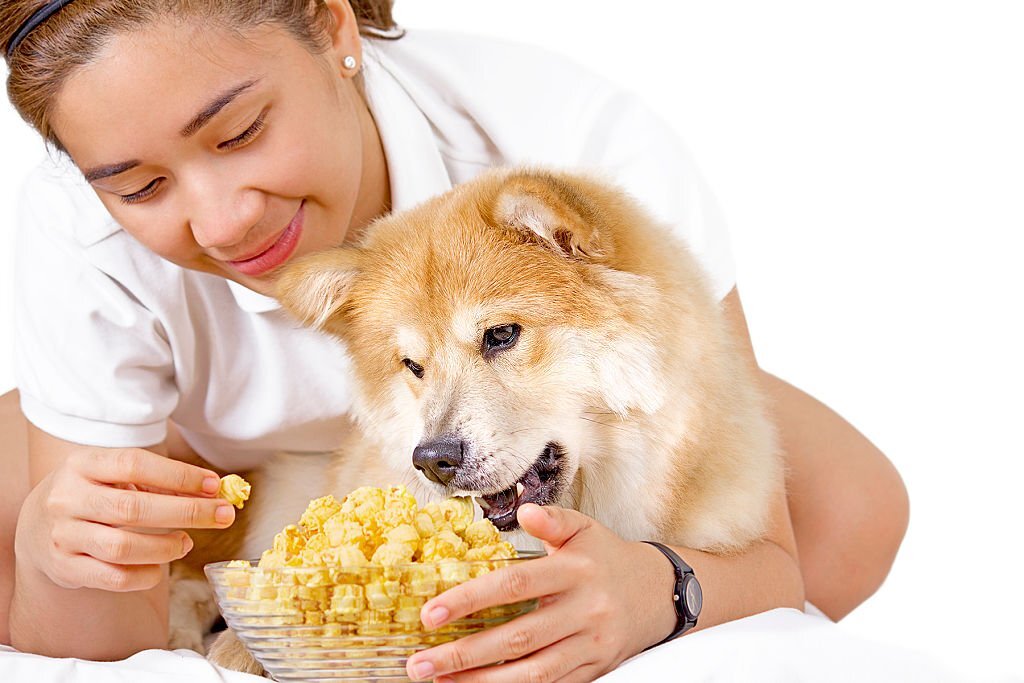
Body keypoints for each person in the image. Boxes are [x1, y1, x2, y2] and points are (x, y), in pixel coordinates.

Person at [0, 0, 909, 680]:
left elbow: (775, 561)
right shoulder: (77, 230)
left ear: (333, 27)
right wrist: (58, 555)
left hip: (527, 412)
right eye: (142, 188)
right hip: (205, 447)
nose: (224, 221)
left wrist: (660, 590)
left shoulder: (575, 137)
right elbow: (91, 656)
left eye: (240, 132)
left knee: (849, 511)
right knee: (35, 522)